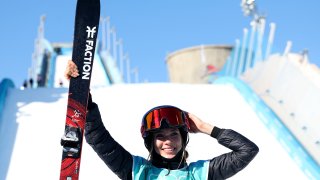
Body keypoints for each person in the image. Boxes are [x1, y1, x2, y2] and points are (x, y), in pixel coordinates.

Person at [65, 60, 259, 180]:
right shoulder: (137, 171)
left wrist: (206, 128)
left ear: (184, 138)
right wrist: (83, 98)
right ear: (151, 141)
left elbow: (247, 150)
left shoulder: (200, 174)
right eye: (160, 136)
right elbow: (100, 140)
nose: (167, 141)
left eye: (174, 134)